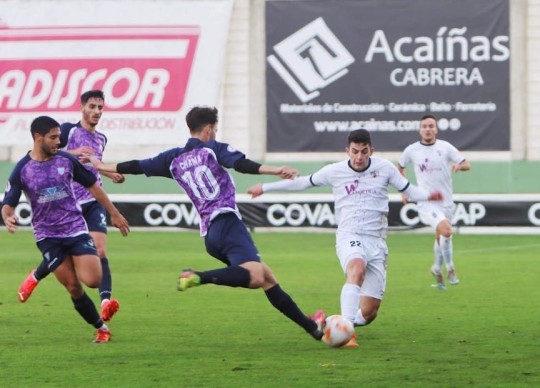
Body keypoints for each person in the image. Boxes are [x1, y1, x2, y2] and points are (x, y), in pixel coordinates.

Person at [86, 106, 327, 342]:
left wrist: (100, 166)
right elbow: (241, 163)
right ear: (209, 129)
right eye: (215, 129)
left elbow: (136, 165)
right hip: (227, 222)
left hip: (210, 236)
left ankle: (312, 328)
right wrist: (275, 170)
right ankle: (198, 276)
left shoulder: (172, 158)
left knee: (266, 277)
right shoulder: (213, 148)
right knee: (255, 275)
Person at [248, 128, 442, 347]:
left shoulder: (385, 168)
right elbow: (301, 182)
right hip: (350, 234)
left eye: (364, 152)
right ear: (347, 151)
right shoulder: (335, 171)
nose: (359, 157)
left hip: (377, 241)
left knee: (369, 313)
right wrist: (265, 187)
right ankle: (347, 333)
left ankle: (330, 321)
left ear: (372, 150)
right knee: (356, 268)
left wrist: (429, 196)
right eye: (355, 151)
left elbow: (409, 190)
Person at [2, 116, 130, 343]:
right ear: (38, 137)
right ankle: (101, 328)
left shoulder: (66, 160)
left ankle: (47, 272)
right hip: (47, 237)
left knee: (92, 279)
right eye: (53, 137)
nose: (58, 142)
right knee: (73, 286)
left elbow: (93, 186)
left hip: (75, 229)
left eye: (59, 137)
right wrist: (8, 216)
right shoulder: (22, 169)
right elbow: (8, 202)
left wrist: (114, 213)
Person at [397, 114, 471, 290]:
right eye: (425, 126)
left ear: (436, 129)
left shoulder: (445, 147)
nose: (428, 129)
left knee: (443, 236)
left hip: (446, 202)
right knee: (446, 230)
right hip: (426, 201)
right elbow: (400, 166)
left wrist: (459, 166)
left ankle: (437, 269)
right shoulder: (412, 150)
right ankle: (451, 268)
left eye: (431, 126)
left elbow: (467, 164)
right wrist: (405, 190)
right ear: (420, 129)